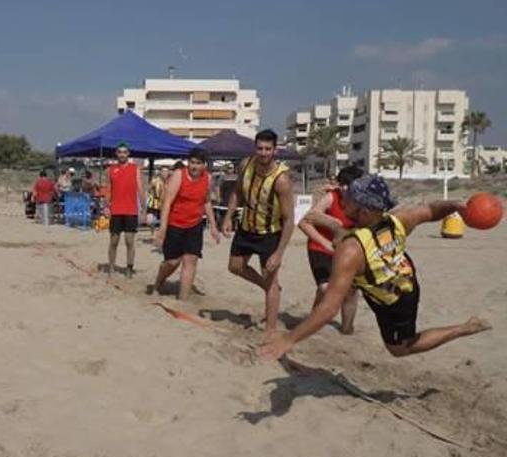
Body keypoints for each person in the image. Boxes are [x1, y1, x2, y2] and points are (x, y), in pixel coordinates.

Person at [260, 174, 491, 360]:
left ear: (364, 210)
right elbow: (431, 210)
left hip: (395, 301)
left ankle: (463, 328)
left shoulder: (351, 251)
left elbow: (330, 308)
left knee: (400, 349)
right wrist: (455, 206)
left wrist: (288, 339)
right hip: (400, 277)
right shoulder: (398, 219)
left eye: (349, 198)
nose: (344, 199)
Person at [223, 129, 294, 339]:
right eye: (260, 148)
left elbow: (289, 219)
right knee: (235, 266)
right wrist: (228, 216)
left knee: (271, 278)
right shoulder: (246, 165)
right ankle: (269, 287)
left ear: (275, 150)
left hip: (270, 234)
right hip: (246, 228)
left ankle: (270, 330)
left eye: (268, 149)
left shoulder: (281, 179)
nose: (263, 153)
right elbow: (237, 192)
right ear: (255, 148)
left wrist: (279, 253)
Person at [298, 166, 364, 334]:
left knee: (350, 290)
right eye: (342, 184)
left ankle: (347, 327)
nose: (345, 188)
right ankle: (314, 320)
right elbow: (307, 220)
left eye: (349, 185)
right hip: (320, 246)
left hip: (347, 251)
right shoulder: (331, 197)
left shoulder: (362, 203)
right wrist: (333, 226)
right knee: (325, 289)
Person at [153, 148, 219, 299]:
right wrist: (162, 228)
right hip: (175, 224)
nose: (194, 166)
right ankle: (159, 281)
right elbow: (167, 202)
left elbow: (207, 202)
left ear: (204, 165)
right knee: (172, 262)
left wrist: (214, 226)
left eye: (198, 163)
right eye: (192, 162)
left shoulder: (207, 179)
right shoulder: (179, 175)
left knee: (191, 260)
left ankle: (183, 299)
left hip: (195, 224)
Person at [105, 142, 145, 278]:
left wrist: (144, 209)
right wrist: (106, 206)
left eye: (125, 152)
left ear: (128, 154)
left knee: (129, 241)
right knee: (114, 241)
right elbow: (108, 189)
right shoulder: (111, 169)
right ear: (116, 154)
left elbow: (140, 189)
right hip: (116, 210)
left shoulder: (135, 168)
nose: (122, 154)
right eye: (120, 152)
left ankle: (129, 268)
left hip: (130, 210)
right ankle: (111, 266)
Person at [146, 166, 170, 235]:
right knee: (150, 221)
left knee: (164, 221)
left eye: (166, 171)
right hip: (153, 203)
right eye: (163, 171)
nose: (164, 173)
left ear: (168, 173)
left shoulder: (169, 182)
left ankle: (162, 234)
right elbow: (148, 190)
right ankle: (153, 232)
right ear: (160, 172)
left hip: (164, 204)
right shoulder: (155, 180)